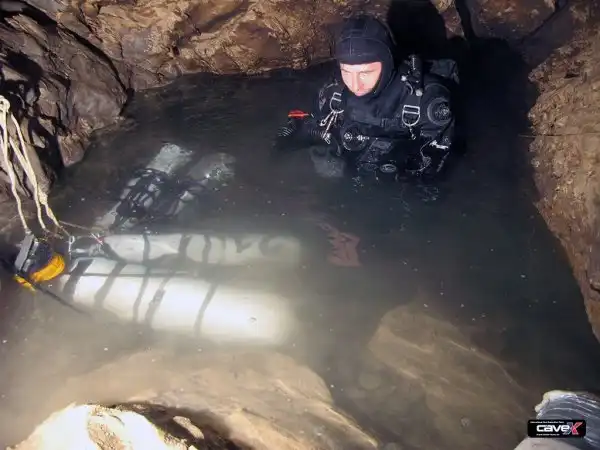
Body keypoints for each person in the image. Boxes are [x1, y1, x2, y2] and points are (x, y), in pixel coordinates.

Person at [276, 14, 461, 180]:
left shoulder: (427, 103)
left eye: (365, 73)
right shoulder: (334, 93)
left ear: (387, 63)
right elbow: (303, 128)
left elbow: (435, 174)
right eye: (346, 71)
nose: (355, 84)